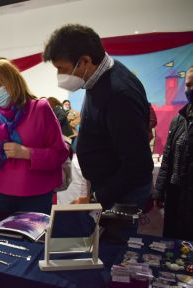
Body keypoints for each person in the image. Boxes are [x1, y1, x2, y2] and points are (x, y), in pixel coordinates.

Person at [43, 24, 153, 210]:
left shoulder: (119, 94)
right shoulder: (96, 79)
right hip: (107, 187)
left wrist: (96, 199)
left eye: (62, 69)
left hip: (122, 196)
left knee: (113, 239)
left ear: (85, 61)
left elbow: (137, 165)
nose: (59, 76)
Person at [0, 59, 69, 215]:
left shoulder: (40, 109)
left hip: (36, 195)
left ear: (11, 81)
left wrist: (27, 153)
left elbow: (60, 153)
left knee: (33, 239)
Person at [153, 65, 193, 241]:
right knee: (171, 243)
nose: (190, 90)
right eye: (188, 85)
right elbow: (167, 157)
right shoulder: (179, 118)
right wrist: (159, 191)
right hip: (175, 193)